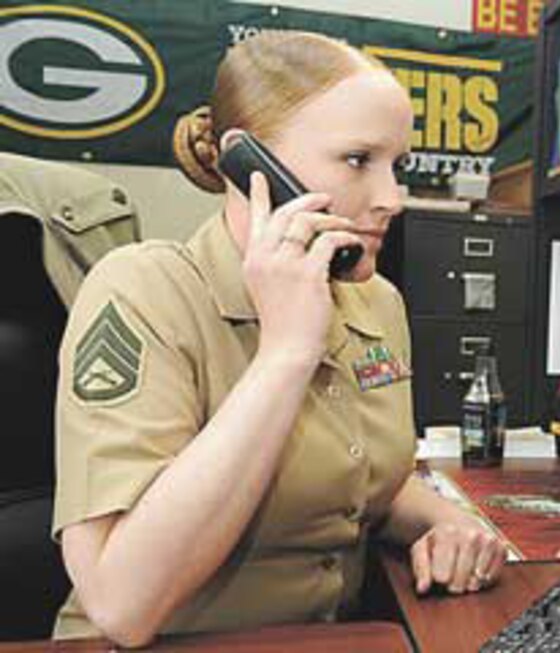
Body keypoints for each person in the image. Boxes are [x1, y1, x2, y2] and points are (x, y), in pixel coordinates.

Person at [52, 31, 506, 646]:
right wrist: (286, 354)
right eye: (358, 160)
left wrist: (449, 523)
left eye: (396, 166)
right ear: (250, 165)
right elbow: (122, 604)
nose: (392, 199)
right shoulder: (142, 292)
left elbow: (370, 483)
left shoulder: (375, 301)